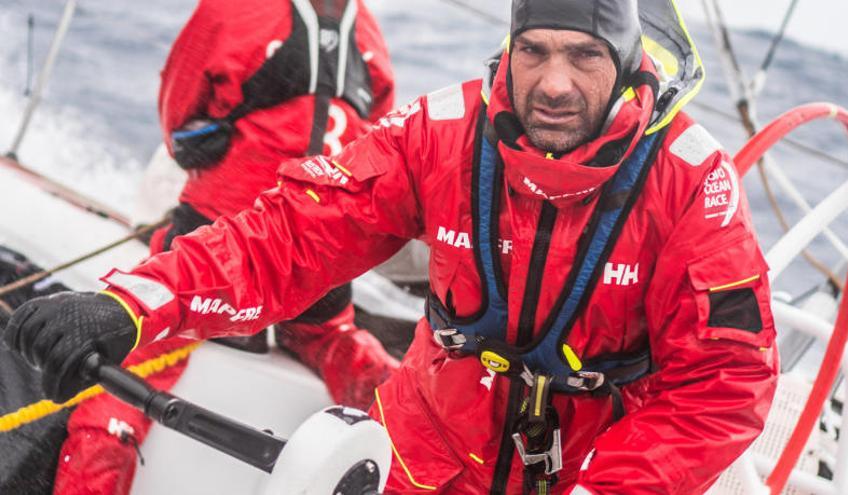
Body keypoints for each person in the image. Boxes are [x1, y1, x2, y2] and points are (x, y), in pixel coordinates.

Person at [4, 0, 780, 493]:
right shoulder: (439, 133)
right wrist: (131, 304)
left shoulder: (691, 182)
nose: (553, 82)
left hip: (598, 475)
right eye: (535, 50)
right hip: (424, 461)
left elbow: (725, 382)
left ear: (627, 60)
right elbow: (288, 235)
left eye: (583, 55)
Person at [33, 0, 398, 493]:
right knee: (350, 353)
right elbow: (378, 146)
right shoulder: (370, 39)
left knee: (121, 387)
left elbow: (179, 112)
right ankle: (412, 441)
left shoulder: (234, 10)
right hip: (313, 270)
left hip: (216, 253)